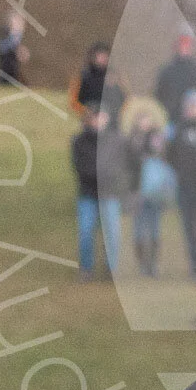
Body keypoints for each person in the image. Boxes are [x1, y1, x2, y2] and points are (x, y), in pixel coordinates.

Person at [72, 108, 130, 278]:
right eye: (95, 117)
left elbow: (122, 165)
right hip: (88, 194)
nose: (99, 120)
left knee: (112, 233)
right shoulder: (80, 141)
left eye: (102, 116)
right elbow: (81, 167)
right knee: (85, 231)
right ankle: (86, 268)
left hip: (109, 194)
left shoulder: (116, 140)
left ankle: (111, 268)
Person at [167, 89, 196, 278]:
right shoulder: (179, 129)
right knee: (189, 227)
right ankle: (195, 264)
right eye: (190, 106)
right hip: (185, 186)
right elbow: (170, 155)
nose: (193, 110)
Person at [132, 129, 176, 278]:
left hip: (157, 201)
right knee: (139, 233)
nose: (156, 143)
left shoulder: (165, 160)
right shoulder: (140, 159)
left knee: (155, 232)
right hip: (141, 200)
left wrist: (167, 198)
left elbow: (169, 182)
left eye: (159, 140)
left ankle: (153, 264)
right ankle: (142, 264)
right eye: (154, 139)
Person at [153, 33, 196, 126]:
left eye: (186, 46)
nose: (184, 49)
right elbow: (159, 93)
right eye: (181, 46)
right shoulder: (167, 71)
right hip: (173, 116)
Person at [69, 43, 127, 129]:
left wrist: (113, 113)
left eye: (106, 56)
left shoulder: (115, 76)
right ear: (93, 57)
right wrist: (88, 112)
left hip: (112, 120)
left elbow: (124, 99)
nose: (103, 59)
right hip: (90, 120)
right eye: (100, 56)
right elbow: (74, 101)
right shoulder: (83, 76)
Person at [0, 13, 29, 85]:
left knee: (13, 77)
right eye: (16, 22)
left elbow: (17, 48)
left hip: (12, 62)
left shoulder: (18, 35)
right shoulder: (5, 32)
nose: (19, 25)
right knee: (5, 77)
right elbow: (2, 47)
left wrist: (21, 52)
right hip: (5, 59)